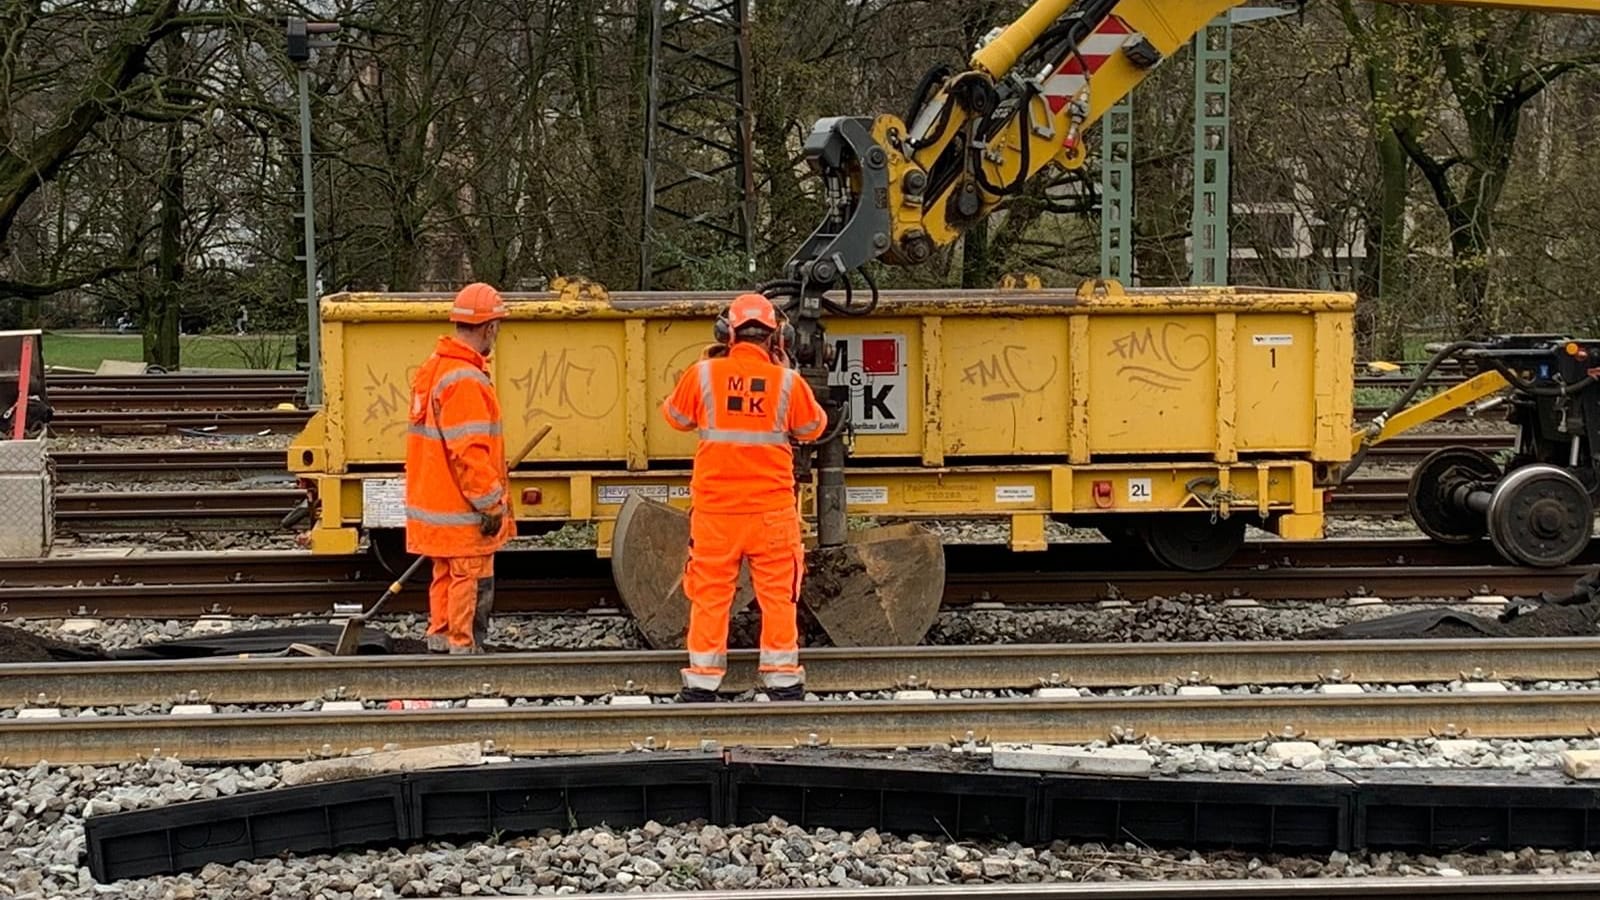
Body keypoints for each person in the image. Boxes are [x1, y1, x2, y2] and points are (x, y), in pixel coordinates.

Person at [660, 292, 828, 701]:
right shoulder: (787, 382)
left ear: (726, 333)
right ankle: (782, 679)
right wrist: (785, 373)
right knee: (778, 596)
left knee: (710, 595)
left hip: (717, 513)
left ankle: (702, 682)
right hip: (771, 513)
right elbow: (814, 429)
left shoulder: (702, 374)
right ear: (777, 337)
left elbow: (676, 418)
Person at [404, 282, 516, 654]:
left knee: (444, 575)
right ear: (490, 327)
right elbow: (468, 453)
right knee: (469, 578)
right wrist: (491, 504)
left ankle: (439, 643)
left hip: (437, 507)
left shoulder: (433, 369)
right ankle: (462, 654)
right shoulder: (466, 380)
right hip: (462, 510)